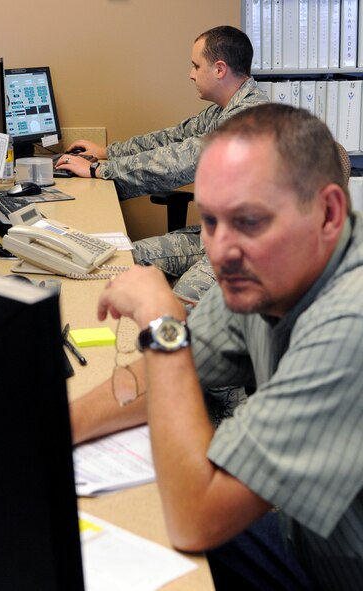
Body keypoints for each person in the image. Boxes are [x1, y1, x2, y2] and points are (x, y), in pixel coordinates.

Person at [71, 103, 363, 590]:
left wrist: (163, 321)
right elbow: (169, 367)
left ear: (329, 212)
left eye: (249, 221)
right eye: (210, 221)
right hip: (306, 538)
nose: (220, 250)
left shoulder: (349, 324)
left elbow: (197, 519)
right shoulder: (269, 269)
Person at [56, 26, 269, 306]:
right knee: (118, 260)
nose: (191, 74)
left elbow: (178, 162)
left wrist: (99, 170)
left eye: (196, 65)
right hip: (212, 238)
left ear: (219, 69)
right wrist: (107, 151)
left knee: (171, 313)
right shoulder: (224, 110)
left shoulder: (251, 121)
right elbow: (173, 138)